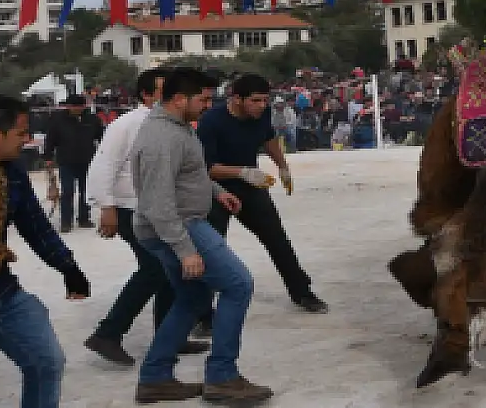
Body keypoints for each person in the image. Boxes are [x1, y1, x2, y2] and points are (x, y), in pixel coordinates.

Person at [131, 67, 272, 404]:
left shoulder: (177, 129)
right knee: (238, 285)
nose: (210, 105)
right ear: (179, 100)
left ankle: (155, 377)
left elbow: (187, 173)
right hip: (178, 227)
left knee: (193, 299)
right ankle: (222, 376)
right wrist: (185, 250)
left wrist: (215, 191)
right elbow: (157, 201)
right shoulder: (162, 139)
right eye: (204, 99)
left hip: (179, 223)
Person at [83, 68, 209, 365]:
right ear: (146, 95)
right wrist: (106, 206)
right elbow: (104, 164)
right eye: (162, 90)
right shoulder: (127, 124)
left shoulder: (176, 125)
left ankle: (170, 336)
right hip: (130, 208)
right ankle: (108, 334)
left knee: (168, 273)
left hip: (160, 210)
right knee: (154, 270)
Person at [195, 73, 326, 330]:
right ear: (237, 99)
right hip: (216, 190)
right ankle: (203, 314)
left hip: (251, 188)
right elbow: (203, 168)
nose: (261, 105)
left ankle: (301, 291)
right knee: (212, 251)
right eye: (255, 101)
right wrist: (241, 171)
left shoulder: (262, 114)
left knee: (277, 239)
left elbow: (269, 140)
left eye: (265, 100)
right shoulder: (211, 121)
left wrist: (283, 166)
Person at [0, 93, 91, 408]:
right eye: (21, 133)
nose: (29, 140)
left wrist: (68, 267)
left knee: (46, 362)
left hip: (2, 289)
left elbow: (35, 226)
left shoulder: (12, 173)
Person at [43, 93, 105, 232]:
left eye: (78, 106)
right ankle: (66, 221)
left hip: (87, 160)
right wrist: (48, 157)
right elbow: (50, 139)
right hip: (66, 161)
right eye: (72, 106)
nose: (75, 108)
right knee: (67, 191)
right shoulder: (57, 120)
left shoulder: (92, 119)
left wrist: (103, 155)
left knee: (86, 192)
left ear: (84, 106)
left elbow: (101, 138)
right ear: (67, 106)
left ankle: (84, 218)